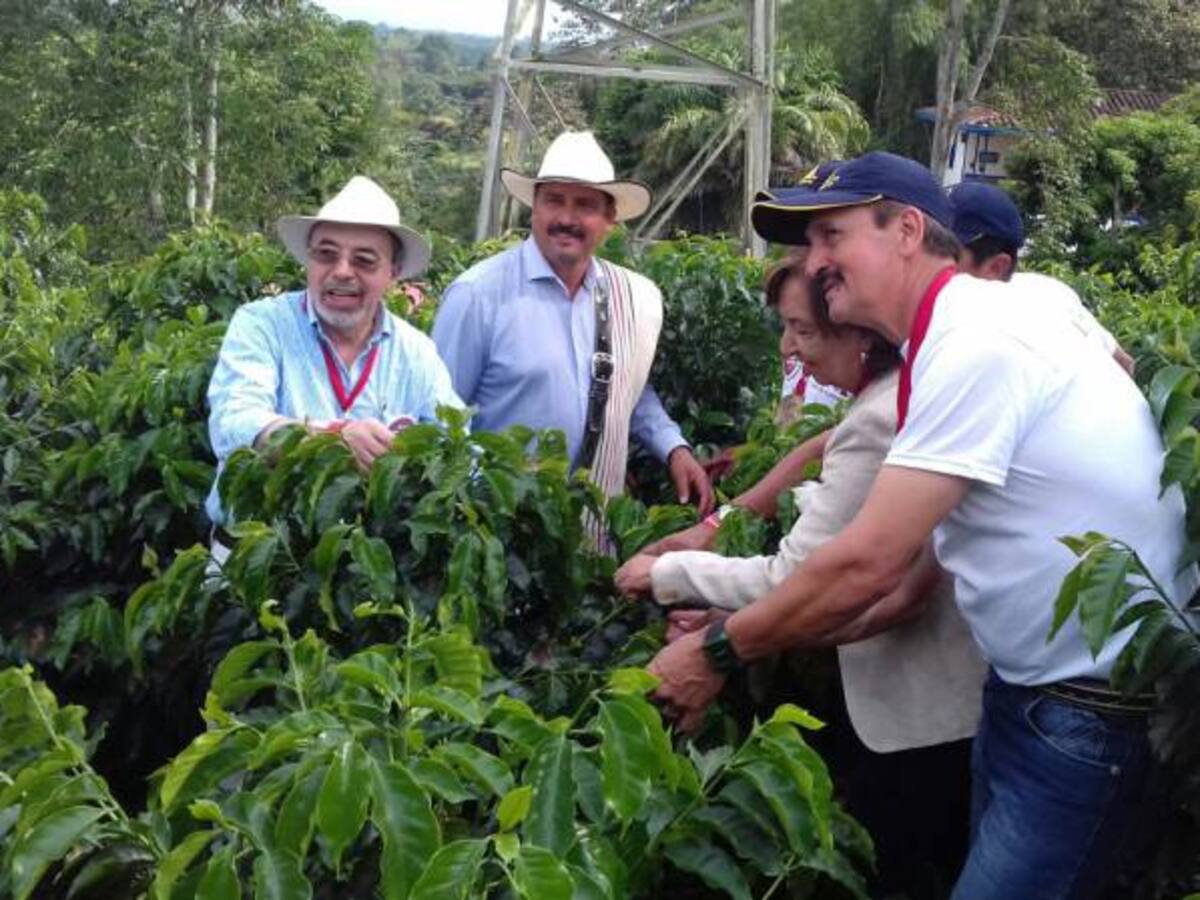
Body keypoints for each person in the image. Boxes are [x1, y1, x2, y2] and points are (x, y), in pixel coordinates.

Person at [646, 151, 1197, 899]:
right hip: (1027, 690)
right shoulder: (982, 319)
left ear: (907, 230)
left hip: (1086, 710)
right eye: (808, 245)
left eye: (831, 236)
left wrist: (716, 650)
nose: (814, 262)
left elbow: (867, 563)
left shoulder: (975, 343)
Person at [617, 254, 986, 897]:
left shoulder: (880, 417)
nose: (791, 348)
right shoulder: (881, 398)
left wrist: (667, 572)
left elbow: (798, 575)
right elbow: (816, 457)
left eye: (805, 331)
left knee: (901, 864)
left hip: (913, 715)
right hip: (921, 701)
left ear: (857, 328)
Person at [433, 131, 712, 516]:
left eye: (584, 205)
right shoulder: (477, 295)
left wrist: (672, 447)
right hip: (497, 525)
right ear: (534, 207)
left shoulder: (631, 296)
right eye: (554, 201)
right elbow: (437, 419)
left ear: (609, 219)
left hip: (593, 532)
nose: (566, 218)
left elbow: (627, 386)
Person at [205, 176, 462, 529]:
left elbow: (457, 448)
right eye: (326, 255)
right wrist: (335, 438)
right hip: (259, 555)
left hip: (370, 566)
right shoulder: (262, 324)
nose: (342, 272)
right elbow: (234, 423)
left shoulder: (416, 352)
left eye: (365, 260)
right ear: (308, 260)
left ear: (393, 273)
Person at [948, 181, 1135, 375]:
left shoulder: (989, 329)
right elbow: (1124, 362)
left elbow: (1122, 362)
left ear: (997, 267)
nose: (934, 261)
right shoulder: (1047, 289)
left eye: (948, 254)